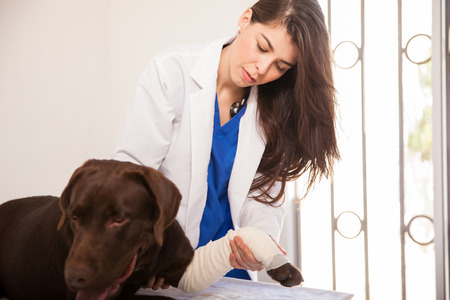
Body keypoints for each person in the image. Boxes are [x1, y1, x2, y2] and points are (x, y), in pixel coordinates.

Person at [114, 0, 339, 289]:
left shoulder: (273, 107)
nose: (262, 70)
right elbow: (130, 177)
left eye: (280, 66)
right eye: (262, 47)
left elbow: (262, 198)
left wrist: (259, 241)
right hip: (165, 265)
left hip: (229, 271)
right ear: (245, 19)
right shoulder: (171, 73)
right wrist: (160, 252)